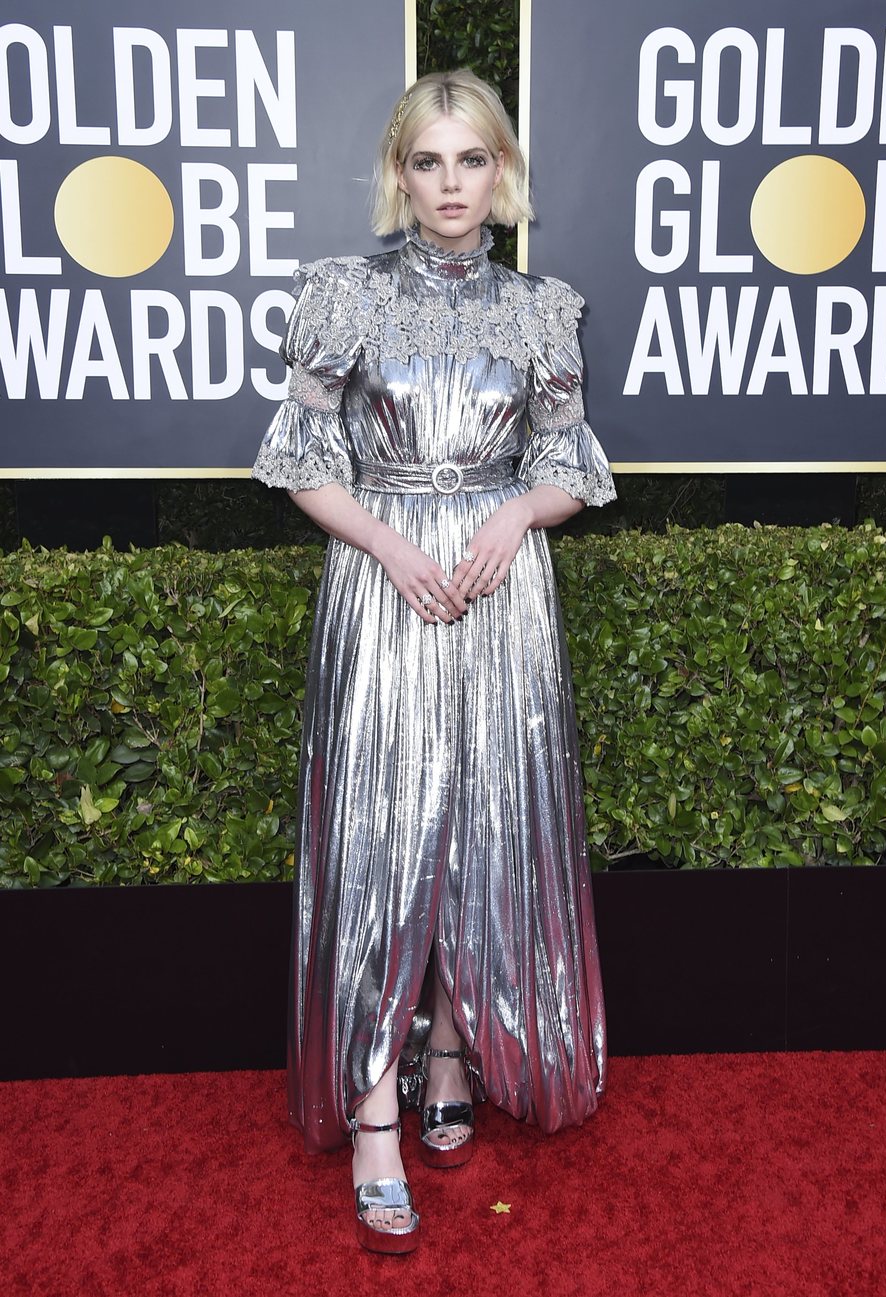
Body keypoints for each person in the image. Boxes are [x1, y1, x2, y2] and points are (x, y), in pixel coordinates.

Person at [251, 67, 616, 1254]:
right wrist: (393, 544)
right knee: (383, 836)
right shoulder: (339, 295)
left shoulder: (544, 308)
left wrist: (515, 519)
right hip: (387, 586)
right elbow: (301, 461)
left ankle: (451, 1049)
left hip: (505, 600)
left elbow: (572, 467)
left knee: (481, 824)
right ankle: (371, 1111)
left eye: (472, 161)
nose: (451, 185)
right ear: (397, 174)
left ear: (502, 173)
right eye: (428, 162)